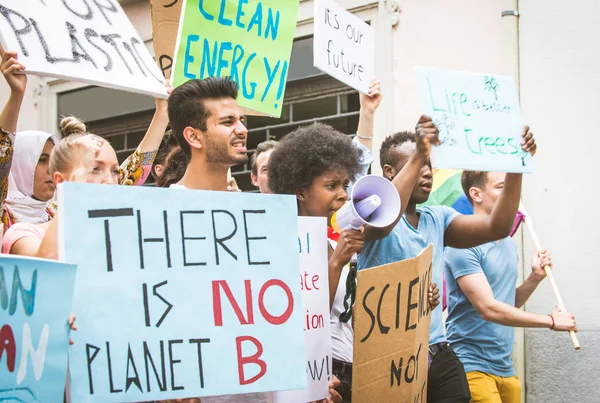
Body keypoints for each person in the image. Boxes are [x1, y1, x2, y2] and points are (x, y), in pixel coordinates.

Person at [167, 76, 342, 403]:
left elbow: (282, 305)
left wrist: (311, 374)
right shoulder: (166, 213)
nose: (242, 129)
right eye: (228, 121)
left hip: (267, 390)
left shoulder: (264, 216)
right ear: (193, 136)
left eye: (243, 120)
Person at [268, 114, 441, 402]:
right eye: (331, 186)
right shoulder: (284, 243)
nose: (342, 195)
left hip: (349, 370)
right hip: (318, 374)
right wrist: (337, 261)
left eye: (345, 185)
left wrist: (418, 299)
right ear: (300, 190)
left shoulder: (328, 238)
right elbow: (301, 318)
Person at [358, 127, 537, 403]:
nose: (427, 171)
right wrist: (421, 152)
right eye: (417, 164)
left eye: (429, 164)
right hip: (385, 357)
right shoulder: (371, 213)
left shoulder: (438, 218)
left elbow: (497, 226)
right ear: (389, 171)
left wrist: (515, 169)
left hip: (435, 351)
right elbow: (384, 220)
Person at [444, 171, 577, 403]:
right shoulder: (462, 245)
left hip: (505, 366)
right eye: (501, 187)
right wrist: (551, 321)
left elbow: (506, 303)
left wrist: (534, 278)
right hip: (472, 365)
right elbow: (488, 309)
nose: (511, 194)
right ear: (476, 194)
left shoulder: (508, 244)